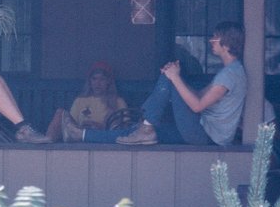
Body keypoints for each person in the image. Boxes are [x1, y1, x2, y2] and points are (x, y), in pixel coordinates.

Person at [62, 21, 247, 146]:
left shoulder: (230, 75)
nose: (211, 41)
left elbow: (197, 106)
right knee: (136, 132)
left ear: (227, 42)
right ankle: (83, 135)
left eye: (215, 37)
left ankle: (147, 120)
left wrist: (174, 78)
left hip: (207, 136)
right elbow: (198, 96)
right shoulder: (230, 71)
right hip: (202, 131)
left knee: (168, 78)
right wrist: (178, 76)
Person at [46, 61, 129, 141]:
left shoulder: (118, 102)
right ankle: (46, 141)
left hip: (103, 139)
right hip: (80, 137)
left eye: (102, 79)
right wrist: (82, 126)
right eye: (94, 79)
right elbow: (70, 125)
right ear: (90, 81)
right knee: (60, 112)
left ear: (108, 82)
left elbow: (125, 128)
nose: (98, 83)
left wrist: (101, 127)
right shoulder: (79, 101)